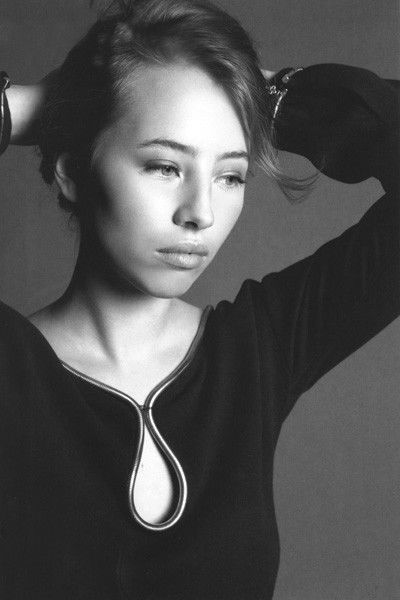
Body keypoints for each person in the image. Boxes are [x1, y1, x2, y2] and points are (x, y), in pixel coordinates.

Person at [0, 0, 398, 598]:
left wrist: (272, 98)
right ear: (72, 171)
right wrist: (34, 108)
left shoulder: (256, 353)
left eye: (230, 175)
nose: (201, 213)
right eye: (165, 166)